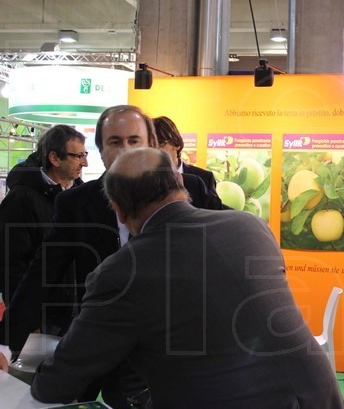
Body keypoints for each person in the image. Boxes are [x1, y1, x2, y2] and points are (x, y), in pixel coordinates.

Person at [31, 147, 344, 408]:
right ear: (181, 182)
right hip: (320, 398)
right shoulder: (250, 227)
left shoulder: (121, 272)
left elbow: (59, 382)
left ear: (119, 210)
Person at [0, 105, 224, 407]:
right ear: (101, 151)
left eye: (134, 140)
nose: (125, 150)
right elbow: (42, 273)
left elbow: (224, 242)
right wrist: (6, 343)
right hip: (96, 340)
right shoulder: (76, 202)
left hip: (169, 347)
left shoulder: (190, 188)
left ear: (150, 145)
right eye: (115, 142)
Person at [0, 125, 86, 303]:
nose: (84, 163)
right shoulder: (21, 198)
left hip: (79, 307)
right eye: (78, 156)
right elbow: (11, 264)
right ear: (54, 158)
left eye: (85, 155)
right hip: (41, 309)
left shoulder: (81, 196)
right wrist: (23, 313)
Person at [153, 115, 217, 191]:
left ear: (176, 144)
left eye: (160, 142)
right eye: (150, 144)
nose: (154, 149)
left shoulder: (204, 178)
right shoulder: (143, 181)